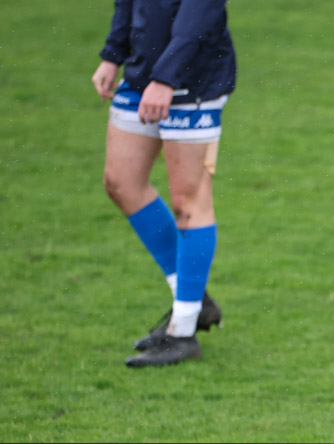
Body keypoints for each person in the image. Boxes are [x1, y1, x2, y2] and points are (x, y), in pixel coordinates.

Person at [91, 0, 236, 367]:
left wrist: (166, 76)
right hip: (143, 73)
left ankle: (183, 332)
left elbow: (201, 11)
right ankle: (194, 298)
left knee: (189, 201)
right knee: (121, 183)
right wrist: (113, 53)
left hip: (192, 79)